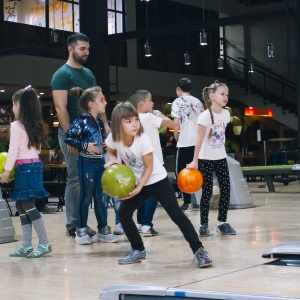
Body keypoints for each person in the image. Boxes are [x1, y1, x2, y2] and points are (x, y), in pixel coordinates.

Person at [105, 102, 212, 267]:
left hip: (156, 179)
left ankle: (199, 251)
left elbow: (149, 167)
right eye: (128, 121)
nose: (134, 124)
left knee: (176, 214)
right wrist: (112, 159)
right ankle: (138, 250)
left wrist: (139, 187)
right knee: (124, 212)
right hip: (138, 181)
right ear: (118, 123)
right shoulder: (114, 138)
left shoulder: (142, 139)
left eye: (136, 120)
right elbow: (110, 149)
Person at [51, 32, 110, 238]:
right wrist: (71, 138)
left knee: (94, 178)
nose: (86, 52)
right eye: (82, 49)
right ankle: (73, 225)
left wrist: (104, 125)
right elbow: (61, 107)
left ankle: (89, 225)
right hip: (72, 133)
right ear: (71, 49)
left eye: (88, 49)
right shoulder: (62, 74)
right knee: (75, 177)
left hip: (92, 134)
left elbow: (98, 103)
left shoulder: (89, 74)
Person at [0, 86, 52, 258]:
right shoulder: (34, 125)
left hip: (25, 167)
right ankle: (26, 245)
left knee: (27, 205)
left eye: (13, 106)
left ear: (18, 105)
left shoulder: (16, 125)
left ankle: (44, 242)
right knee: (23, 204)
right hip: (33, 166)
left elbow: (13, 150)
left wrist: (7, 172)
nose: (12, 109)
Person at [64, 87, 118, 245]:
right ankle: (81, 230)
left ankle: (103, 229)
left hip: (99, 162)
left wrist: (104, 145)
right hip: (86, 162)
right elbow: (69, 138)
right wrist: (85, 145)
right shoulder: (81, 121)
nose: (105, 103)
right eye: (101, 100)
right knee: (86, 196)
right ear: (91, 104)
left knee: (100, 197)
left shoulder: (99, 122)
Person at [187, 80, 236, 237]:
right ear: (212, 96)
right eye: (222, 94)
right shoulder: (204, 116)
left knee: (226, 190)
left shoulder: (226, 114)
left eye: (227, 94)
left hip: (221, 157)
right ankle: (203, 224)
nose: (225, 97)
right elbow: (199, 140)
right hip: (205, 159)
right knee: (207, 192)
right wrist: (195, 161)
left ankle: (222, 223)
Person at [129, 90, 174, 236]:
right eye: (150, 100)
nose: (153, 103)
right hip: (153, 162)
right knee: (154, 193)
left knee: (141, 193)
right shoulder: (149, 117)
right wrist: (159, 115)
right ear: (141, 104)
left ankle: (140, 223)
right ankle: (147, 225)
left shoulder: (132, 119)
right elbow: (171, 123)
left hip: (138, 163)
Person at [171, 78, 204, 212]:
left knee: (181, 173)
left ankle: (187, 202)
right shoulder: (198, 102)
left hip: (184, 141)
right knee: (199, 170)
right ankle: (204, 199)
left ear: (178, 88)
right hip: (198, 141)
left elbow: (176, 122)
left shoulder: (177, 102)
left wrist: (176, 137)